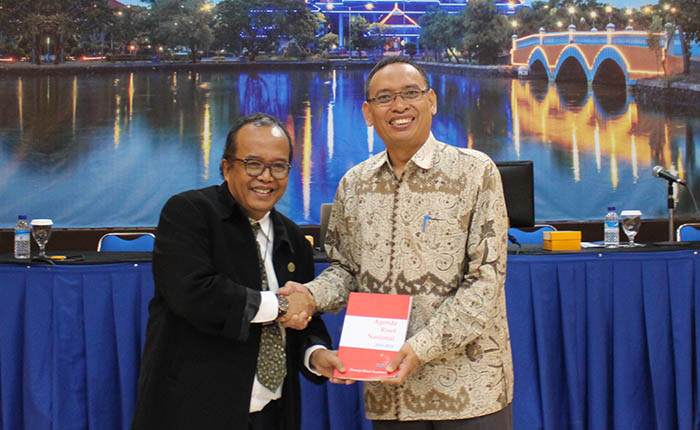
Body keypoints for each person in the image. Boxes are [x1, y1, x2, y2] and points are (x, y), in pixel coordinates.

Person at [283, 57, 513, 429]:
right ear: (367, 112)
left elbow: (485, 282)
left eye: (410, 93)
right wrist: (309, 296)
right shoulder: (354, 184)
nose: (399, 106)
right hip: (389, 394)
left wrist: (420, 348)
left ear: (431, 101)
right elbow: (346, 272)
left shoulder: (476, 172)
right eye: (384, 97)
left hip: (470, 392)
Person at [131, 113, 344, 430]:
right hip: (193, 412)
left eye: (279, 166)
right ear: (226, 167)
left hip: (273, 414)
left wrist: (316, 354)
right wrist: (281, 305)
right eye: (253, 164)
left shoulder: (294, 240)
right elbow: (196, 294)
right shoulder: (188, 213)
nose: (266, 177)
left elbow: (304, 321)